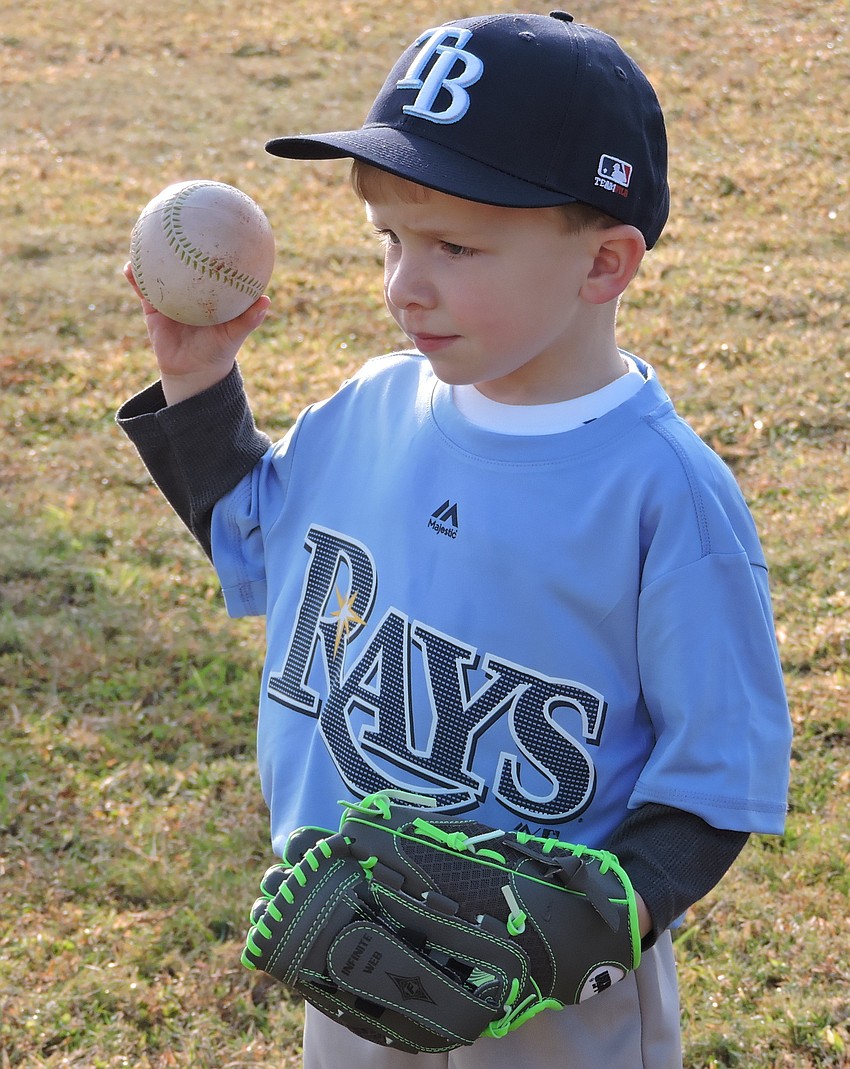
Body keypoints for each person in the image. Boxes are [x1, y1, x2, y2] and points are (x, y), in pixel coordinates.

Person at [117, 12, 792, 1069]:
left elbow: (715, 783)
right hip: (344, 946)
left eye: (454, 246)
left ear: (604, 263)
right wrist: (198, 375)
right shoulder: (369, 408)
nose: (403, 285)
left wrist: (601, 915)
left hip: (556, 1004)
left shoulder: (664, 497)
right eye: (389, 238)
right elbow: (253, 537)